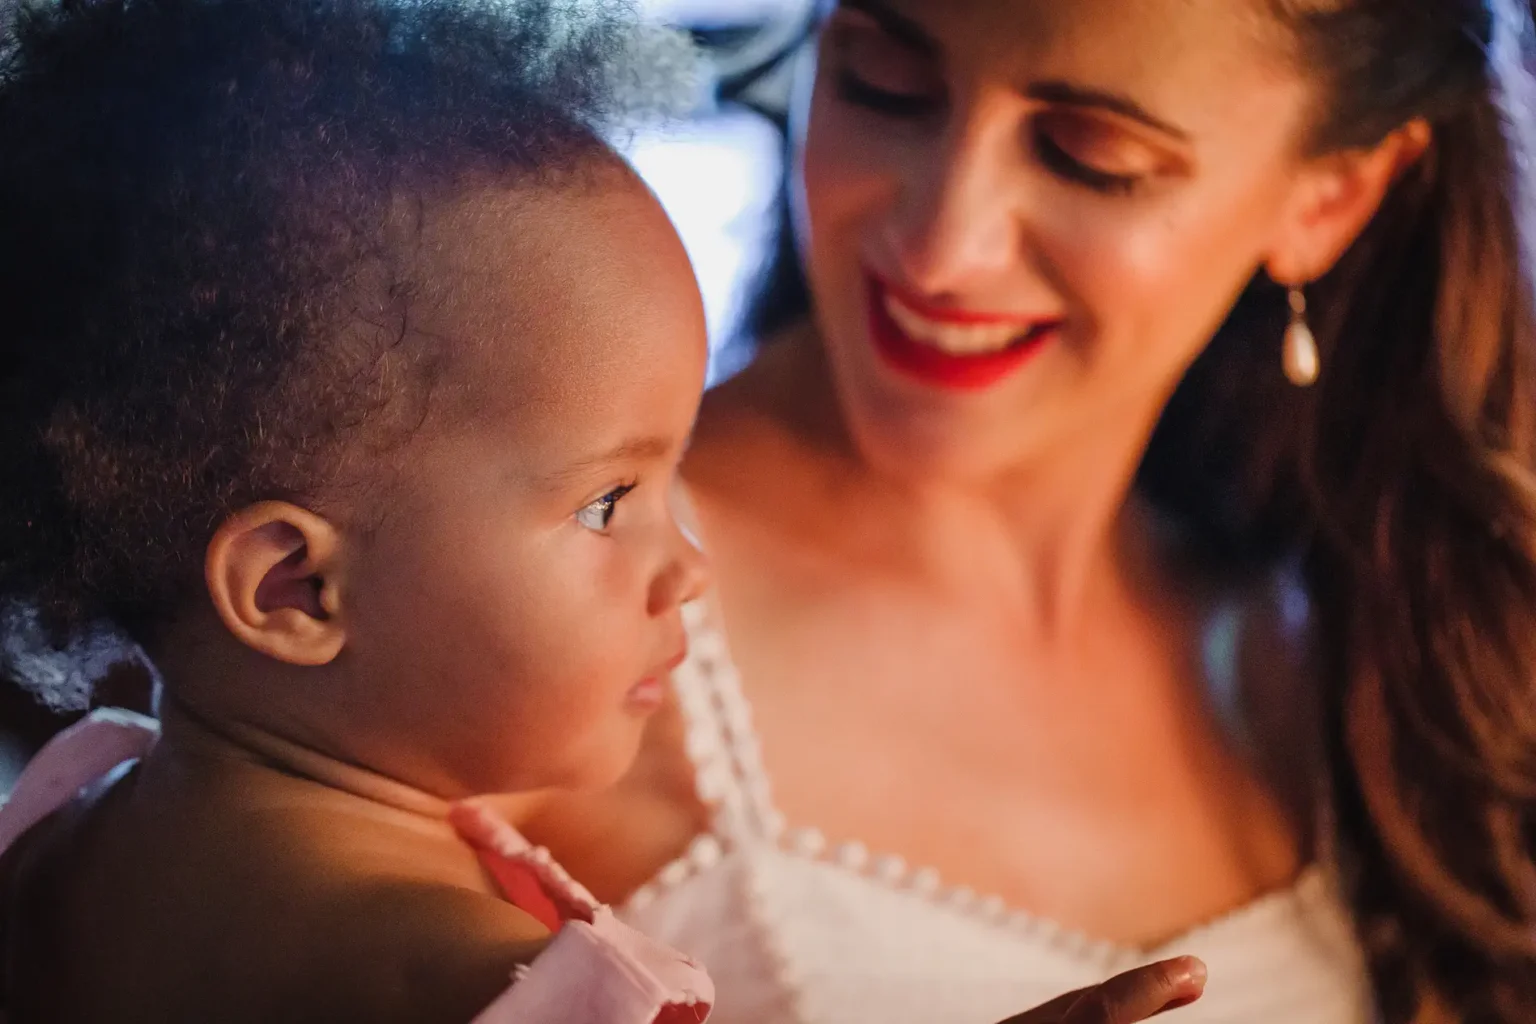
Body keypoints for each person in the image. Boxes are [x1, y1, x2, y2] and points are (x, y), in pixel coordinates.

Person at [0, 1, 1205, 1021]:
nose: (686, 567)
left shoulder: (72, 814)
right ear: (294, 589)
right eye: (608, 502)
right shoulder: (529, 990)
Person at [517, 0, 1536, 1021]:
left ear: (1332, 197)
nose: (939, 247)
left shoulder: (1337, 662)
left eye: (1091, 157)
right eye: (884, 83)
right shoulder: (544, 584)